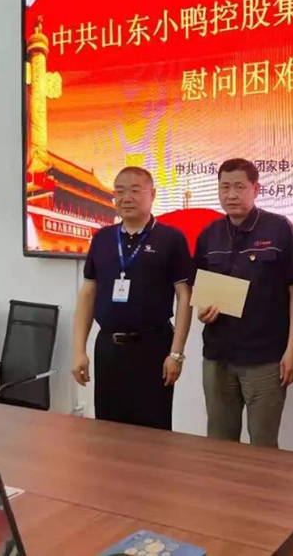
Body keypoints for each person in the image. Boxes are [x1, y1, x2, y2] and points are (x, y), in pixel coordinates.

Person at [193, 158, 293, 448]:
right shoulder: (209, 234)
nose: (231, 195)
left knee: (263, 446)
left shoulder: (278, 228)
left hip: (264, 358)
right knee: (219, 443)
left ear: (256, 189)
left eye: (239, 187)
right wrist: (202, 311)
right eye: (225, 187)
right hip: (218, 357)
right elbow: (201, 289)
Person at [72, 166, 193, 431]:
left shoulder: (171, 239)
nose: (126, 198)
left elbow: (185, 297)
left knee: (153, 431)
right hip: (109, 348)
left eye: (135, 190)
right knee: (107, 429)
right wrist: (79, 350)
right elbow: (88, 293)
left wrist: (176, 353)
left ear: (152, 194)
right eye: (120, 191)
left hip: (153, 348)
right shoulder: (103, 238)